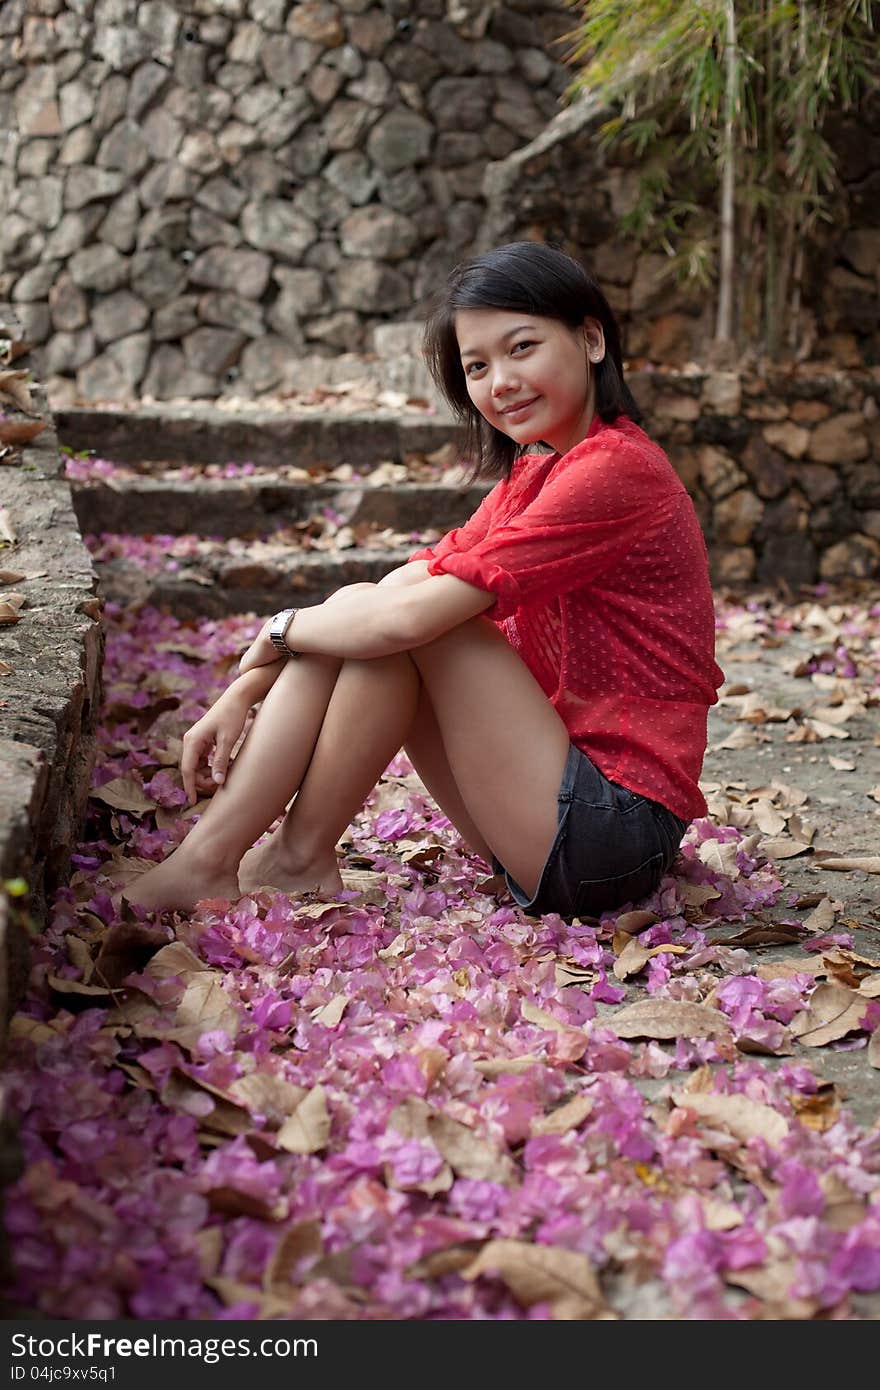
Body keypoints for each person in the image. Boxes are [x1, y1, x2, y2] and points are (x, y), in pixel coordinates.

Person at [127, 241, 723, 918]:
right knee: (375, 608)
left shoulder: (616, 472)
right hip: (546, 808)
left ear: (590, 339)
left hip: (612, 835)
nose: (500, 381)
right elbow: (394, 590)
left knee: (423, 627)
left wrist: (277, 632)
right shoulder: (538, 473)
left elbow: (409, 620)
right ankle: (276, 858)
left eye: (522, 347)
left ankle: (236, 858)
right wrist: (249, 684)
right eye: (477, 365)